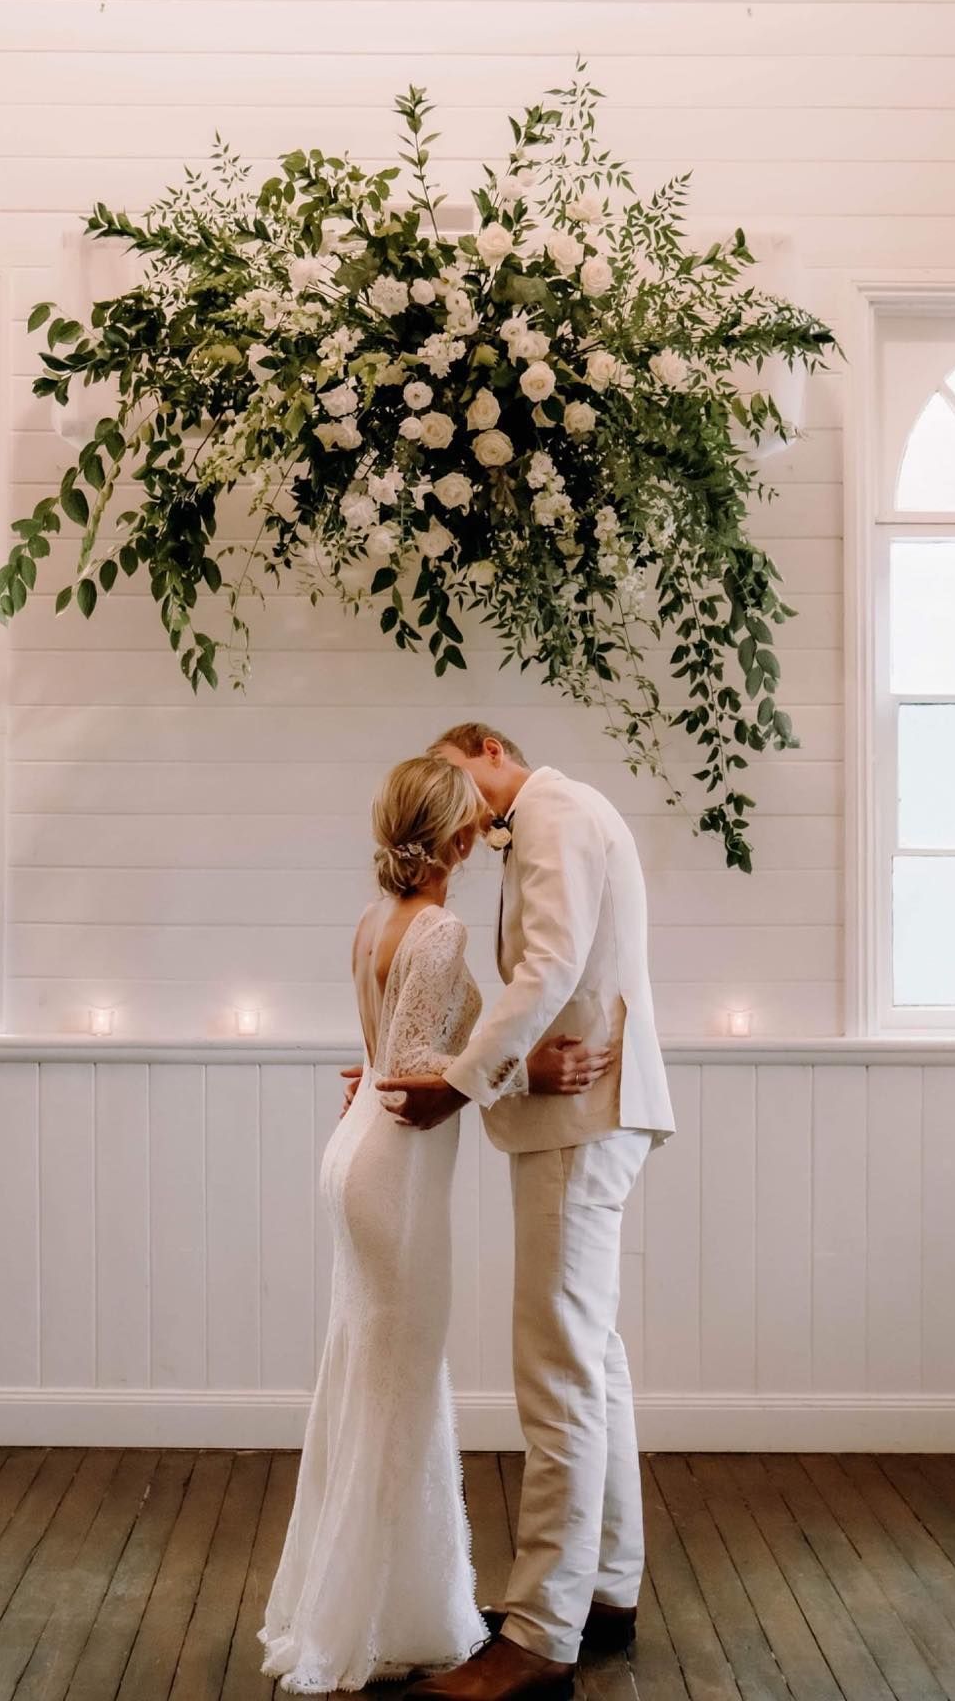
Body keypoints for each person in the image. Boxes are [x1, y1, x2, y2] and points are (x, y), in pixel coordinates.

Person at [385, 724, 676, 1701]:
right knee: (592, 1362)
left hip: (579, 1121)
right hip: (589, 1116)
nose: (459, 811)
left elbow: (545, 970)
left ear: (489, 748)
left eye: (457, 778)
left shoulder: (551, 813)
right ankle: (604, 1589)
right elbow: (549, 978)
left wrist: (459, 1085)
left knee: (555, 1371)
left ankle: (540, 1635)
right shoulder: (563, 816)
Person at [258, 754, 492, 1693]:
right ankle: (362, 1625)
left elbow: (388, 1052)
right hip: (394, 1164)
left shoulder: (373, 922)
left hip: (354, 1153)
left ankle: (383, 1603)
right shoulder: (440, 929)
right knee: (399, 1389)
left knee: (372, 1381)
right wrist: (513, 1069)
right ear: (461, 838)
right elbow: (414, 1067)